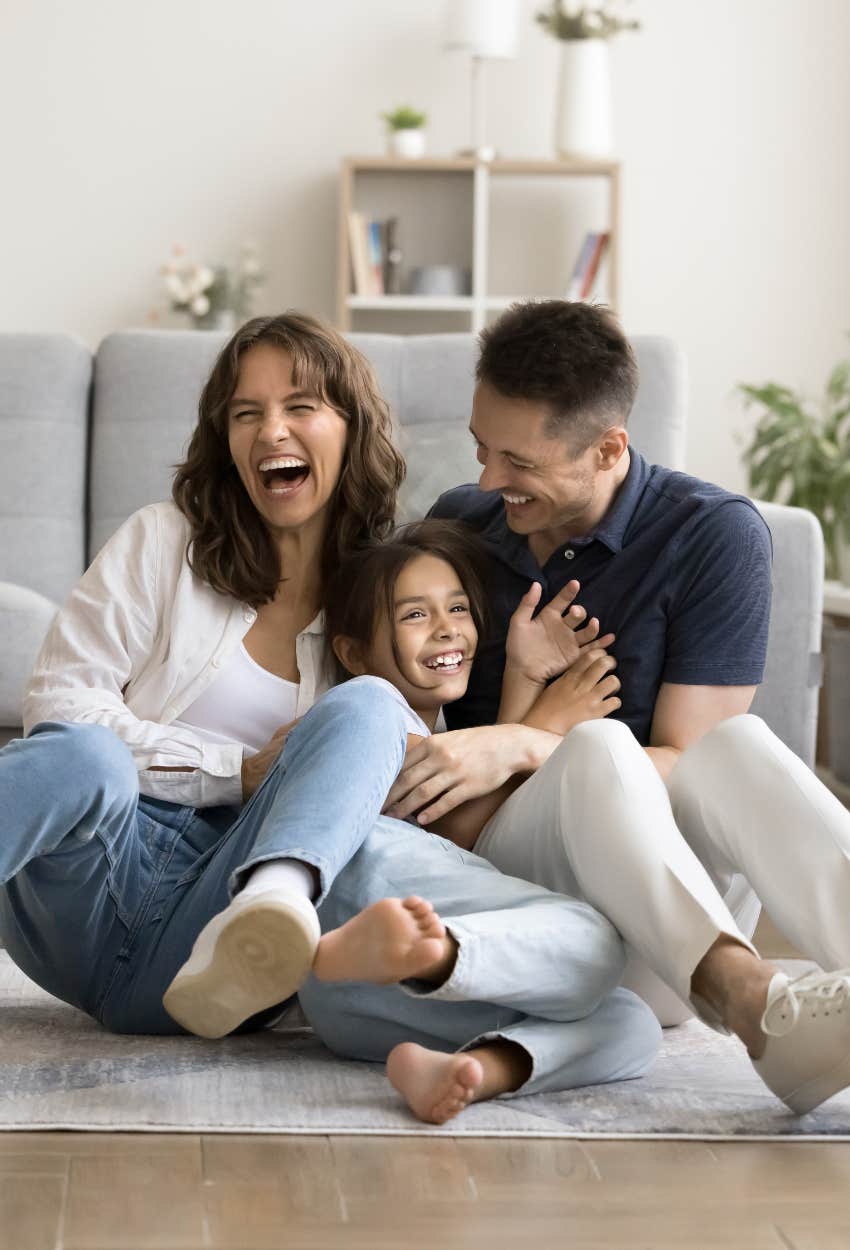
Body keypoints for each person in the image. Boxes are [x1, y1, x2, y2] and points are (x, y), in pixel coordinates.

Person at [1, 312, 659, 1118]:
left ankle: (275, 910)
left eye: (300, 406)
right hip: (101, 874)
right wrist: (234, 772)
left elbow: (420, 785)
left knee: (376, 709)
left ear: (351, 428)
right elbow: (60, 705)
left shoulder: (380, 600)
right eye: (247, 414)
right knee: (83, 757)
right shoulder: (164, 543)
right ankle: (275, 902)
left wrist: (524, 706)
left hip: (206, 942)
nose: (271, 429)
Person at [363, 298, 850, 1116]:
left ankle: (768, 1005)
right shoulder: (464, 525)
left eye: (518, 461)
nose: (487, 481)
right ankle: (755, 1002)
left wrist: (520, 741)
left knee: (738, 747)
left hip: (669, 938)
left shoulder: (712, 536)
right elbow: (417, 746)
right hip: (535, 926)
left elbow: (691, 765)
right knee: (598, 749)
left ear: (608, 448)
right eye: (483, 449)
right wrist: (539, 730)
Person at [320, 516, 624, 1119]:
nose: (446, 631)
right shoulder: (370, 723)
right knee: (597, 945)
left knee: (627, 1017)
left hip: (357, 1012)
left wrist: (522, 678)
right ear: (354, 652)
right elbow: (463, 830)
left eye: (457, 609)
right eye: (414, 615)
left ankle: (477, 1069)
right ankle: (431, 957)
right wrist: (544, 727)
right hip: (361, 917)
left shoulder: (447, 738)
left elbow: (477, 803)